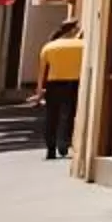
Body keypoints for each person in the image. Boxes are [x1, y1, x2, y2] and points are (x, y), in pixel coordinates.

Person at [37, 22, 85, 159]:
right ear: (75, 30)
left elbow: (42, 73)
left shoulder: (49, 47)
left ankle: (50, 148)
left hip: (54, 84)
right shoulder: (82, 45)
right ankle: (64, 144)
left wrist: (39, 92)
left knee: (52, 116)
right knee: (69, 115)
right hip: (75, 83)